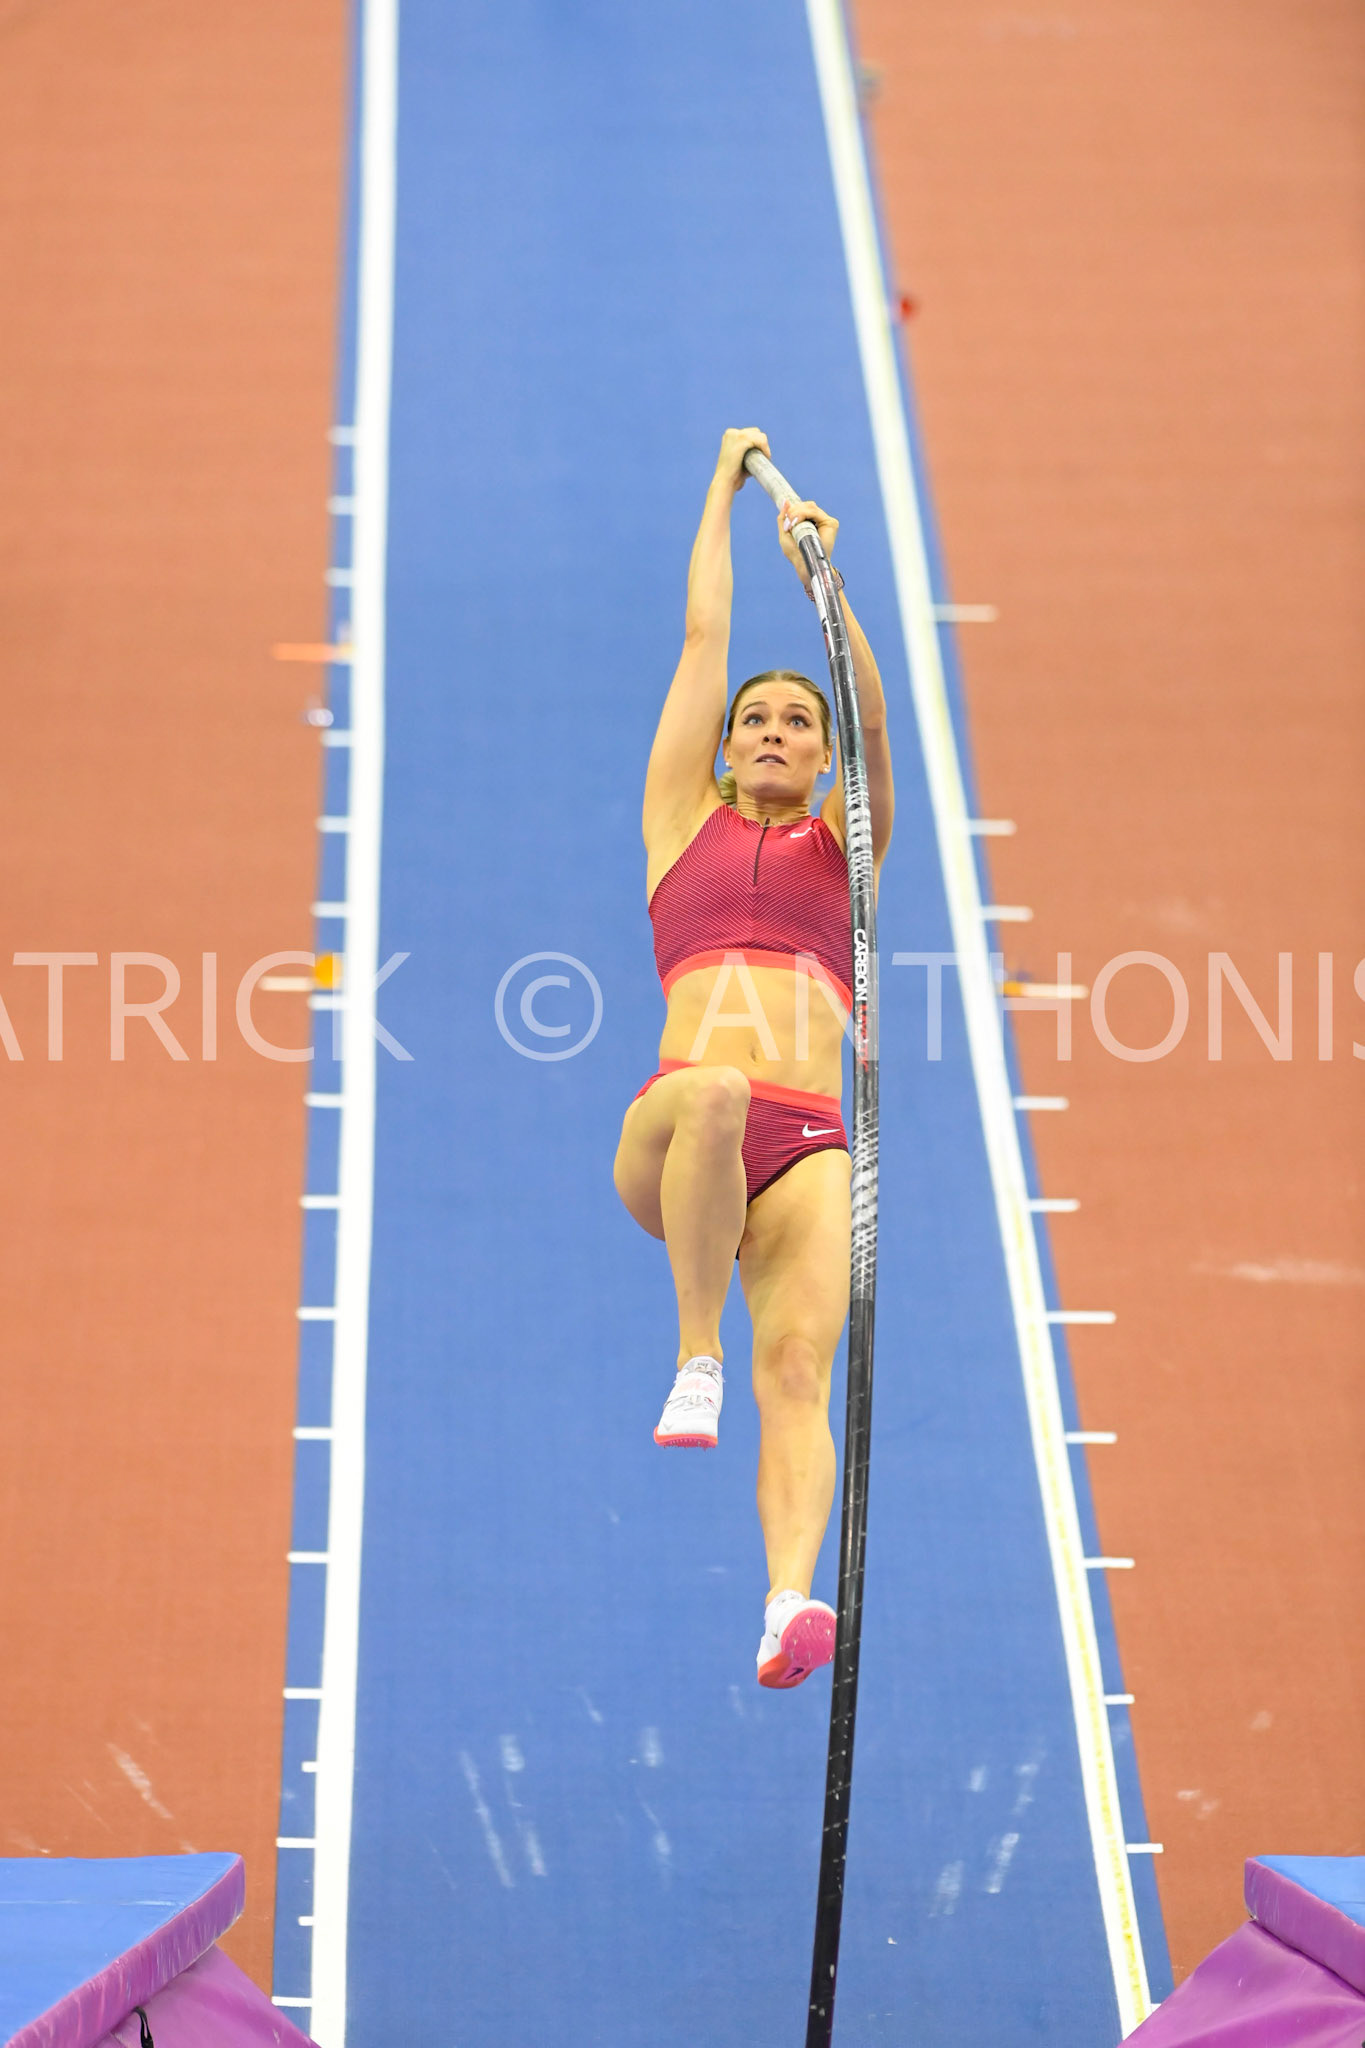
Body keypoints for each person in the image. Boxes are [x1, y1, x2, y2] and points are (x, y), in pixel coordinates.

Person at [613, 427, 894, 1688]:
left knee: (801, 1367)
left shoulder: (851, 851)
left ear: (824, 762)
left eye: (799, 722)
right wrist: (722, 501)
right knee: (717, 1085)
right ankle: (692, 1350)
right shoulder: (684, 822)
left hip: (809, 1144)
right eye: (758, 722)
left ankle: (787, 1602)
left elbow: (877, 722)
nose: (776, 729)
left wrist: (822, 582)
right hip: (675, 1133)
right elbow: (698, 649)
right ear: (726, 750)